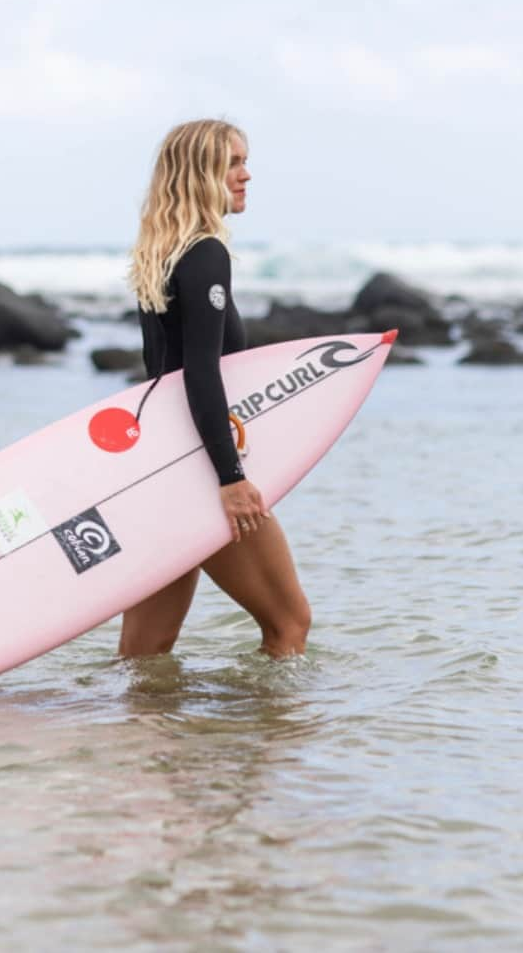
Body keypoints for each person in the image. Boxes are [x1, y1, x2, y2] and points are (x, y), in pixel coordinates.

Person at [122, 119, 312, 659]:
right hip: (200, 469)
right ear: (199, 173)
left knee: (145, 652)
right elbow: (200, 374)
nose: (246, 175)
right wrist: (230, 478)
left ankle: (138, 740)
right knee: (289, 625)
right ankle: (262, 740)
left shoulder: (159, 254)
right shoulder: (206, 253)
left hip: (160, 465)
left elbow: (159, 375)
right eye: (233, 163)